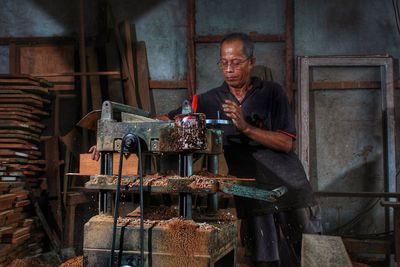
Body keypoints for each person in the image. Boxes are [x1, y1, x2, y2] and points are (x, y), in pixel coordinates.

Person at [164, 33, 321, 266]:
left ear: (251, 61)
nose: (229, 69)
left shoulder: (272, 93)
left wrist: (246, 128)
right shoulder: (208, 100)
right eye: (224, 63)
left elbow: (286, 142)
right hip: (252, 192)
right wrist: (113, 135)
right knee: (265, 260)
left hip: (289, 187)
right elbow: (165, 122)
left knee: (309, 258)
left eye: (236, 63)